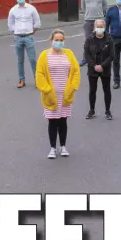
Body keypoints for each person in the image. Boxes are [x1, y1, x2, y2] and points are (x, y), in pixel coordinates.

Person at [36, 29, 80, 159]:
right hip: (51, 96)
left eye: (61, 40)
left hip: (65, 95)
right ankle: (52, 148)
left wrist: (72, 87)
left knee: (63, 121)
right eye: (56, 40)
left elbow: (76, 71)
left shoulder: (69, 54)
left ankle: (63, 146)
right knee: (52, 122)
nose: (59, 42)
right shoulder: (44, 55)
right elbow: (39, 74)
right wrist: (47, 90)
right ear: (51, 41)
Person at [8, 0, 41, 88]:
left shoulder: (31, 8)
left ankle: (37, 80)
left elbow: (37, 23)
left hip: (28, 37)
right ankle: (21, 80)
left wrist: (32, 32)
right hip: (18, 38)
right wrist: (17, 31)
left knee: (33, 60)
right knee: (20, 60)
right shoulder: (13, 10)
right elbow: (10, 24)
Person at [84, 19, 114, 120]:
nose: (99, 29)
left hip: (105, 69)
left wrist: (102, 65)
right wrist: (94, 65)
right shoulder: (89, 39)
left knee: (107, 90)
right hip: (92, 69)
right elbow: (86, 54)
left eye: (101, 27)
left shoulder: (109, 39)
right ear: (94, 27)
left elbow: (111, 55)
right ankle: (91, 110)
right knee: (92, 90)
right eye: (98, 26)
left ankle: (108, 111)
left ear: (104, 28)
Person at [80, 0, 108, 67]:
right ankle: (86, 58)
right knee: (87, 40)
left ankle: (101, 58)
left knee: (100, 39)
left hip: (99, 19)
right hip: (88, 19)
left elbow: (105, 6)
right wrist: (87, 14)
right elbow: (83, 6)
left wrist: (101, 15)